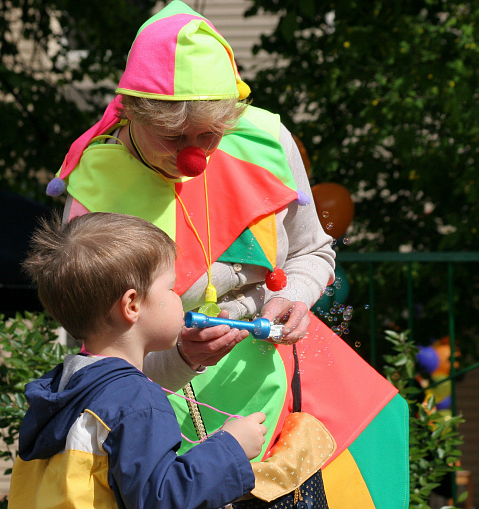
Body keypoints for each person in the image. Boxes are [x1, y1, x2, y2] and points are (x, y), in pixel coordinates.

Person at [46, 2, 409, 507]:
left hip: (278, 406)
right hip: (155, 428)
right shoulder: (93, 190)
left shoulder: (267, 142)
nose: (195, 155)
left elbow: (312, 251)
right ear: (131, 112)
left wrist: (297, 298)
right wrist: (179, 359)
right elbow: (97, 348)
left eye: (209, 136)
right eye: (174, 138)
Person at [8, 212, 268, 509]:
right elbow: (160, 499)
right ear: (131, 305)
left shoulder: (61, 389)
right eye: (170, 288)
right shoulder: (135, 400)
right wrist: (231, 448)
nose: (179, 297)